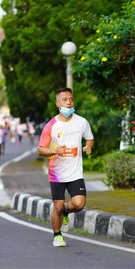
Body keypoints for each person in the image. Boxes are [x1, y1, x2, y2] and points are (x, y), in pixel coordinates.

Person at [37, 87, 94, 247]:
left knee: (79, 204)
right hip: (57, 174)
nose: (69, 102)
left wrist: (88, 146)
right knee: (58, 206)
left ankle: (67, 212)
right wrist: (54, 150)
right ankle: (57, 235)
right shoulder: (51, 126)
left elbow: (89, 138)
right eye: (65, 100)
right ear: (57, 103)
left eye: (71, 99)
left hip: (75, 173)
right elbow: (40, 149)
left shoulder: (82, 122)